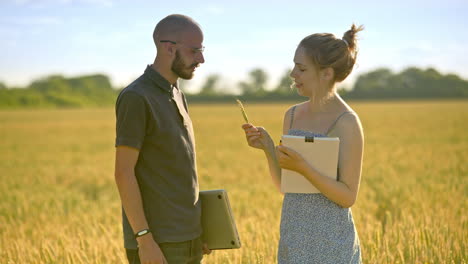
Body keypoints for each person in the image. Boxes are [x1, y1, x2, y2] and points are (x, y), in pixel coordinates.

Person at [242, 24, 365, 263]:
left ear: (326, 73)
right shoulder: (291, 115)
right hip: (293, 237)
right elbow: (285, 186)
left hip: (332, 244)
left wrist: (304, 167)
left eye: (301, 68)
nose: (292, 74)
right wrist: (268, 148)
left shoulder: (347, 122)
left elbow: (348, 197)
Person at [114, 14, 210, 264]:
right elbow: (123, 173)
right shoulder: (136, 97)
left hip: (190, 238)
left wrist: (198, 230)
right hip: (159, 244)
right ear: (169, 48)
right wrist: (144, 241)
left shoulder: (177, 93)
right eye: (195, 50)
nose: (201, 59)